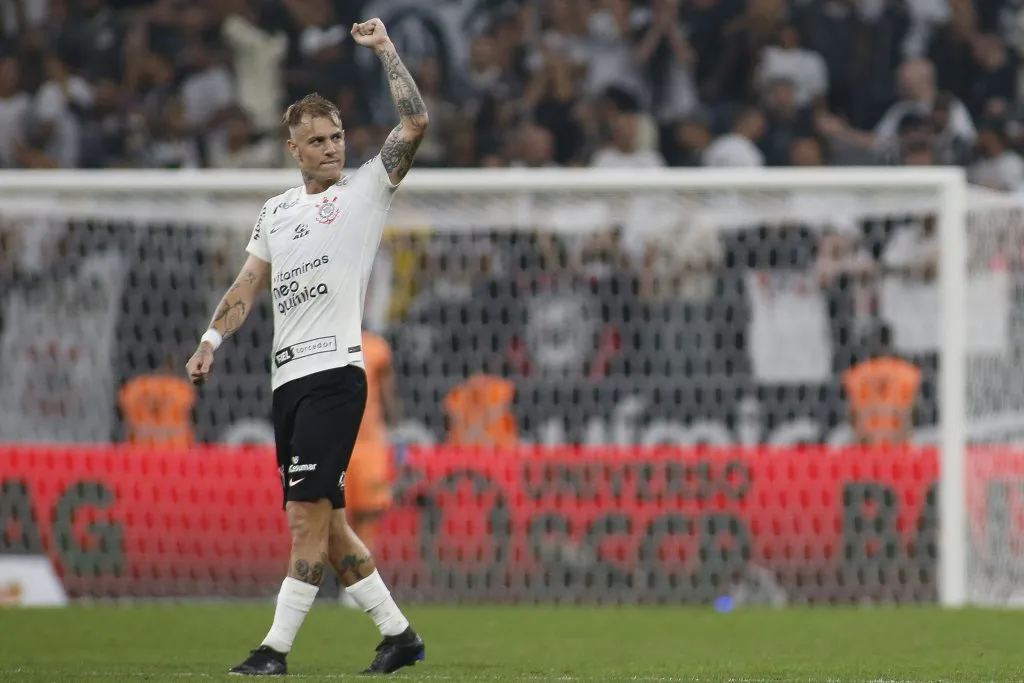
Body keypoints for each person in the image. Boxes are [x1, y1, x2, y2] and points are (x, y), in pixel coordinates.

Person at [184, 17, 429, 676]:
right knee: (331, 523)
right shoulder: (274, 212)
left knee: (303, 517)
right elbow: (247, 283)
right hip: (286, 383)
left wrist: (384, 50)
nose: (331, 148)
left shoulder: (365, 194)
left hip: (335, 376)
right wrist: (211, 337)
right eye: (316, 140)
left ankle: (274, 650)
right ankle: (399, 634)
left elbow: (413, 126)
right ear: (294, 148)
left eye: (337, 136)